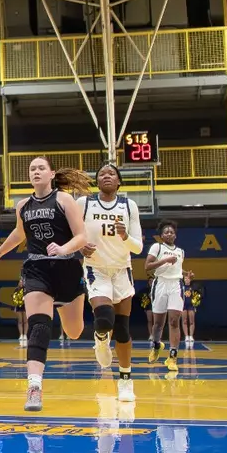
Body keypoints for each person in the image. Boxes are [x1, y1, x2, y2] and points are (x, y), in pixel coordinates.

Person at [0, 157, 92, 412]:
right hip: (36, 268)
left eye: (41, 168)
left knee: (74, 331)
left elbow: (82, 236)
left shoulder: (64, 200)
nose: (36, 172)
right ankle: (34, 387)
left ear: (52, 173)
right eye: (32, 169)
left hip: (67, 268)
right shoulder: (23, 205)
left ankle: (98, 335)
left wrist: (63, 248)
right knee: (39, 326)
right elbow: (20, 234)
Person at [81, 162, 144, 403]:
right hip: (96, 268)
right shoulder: (84, 204)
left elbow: (138, 247)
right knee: (104, 319)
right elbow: (71, 233)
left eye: (111, 173)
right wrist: (80, 246)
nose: (106, 176)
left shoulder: (129, 206)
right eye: (102, 174)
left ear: (118, 181)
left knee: (123, 329)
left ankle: (126, 381)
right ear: (97, 181)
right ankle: (100, 340)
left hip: (121, 270)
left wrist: (125, 236)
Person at [145, 221, 187, 373]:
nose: (169, 234)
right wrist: (165, 260)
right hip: (160, 284)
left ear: (175, 235)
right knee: (158, 324)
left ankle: (173, 356)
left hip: (176, 285)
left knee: (174, 321)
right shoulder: (157, 247)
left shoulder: (181, 251)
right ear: (161, 235)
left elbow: (176, 270)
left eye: (171, 232)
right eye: (166, 232)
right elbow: (147, 266)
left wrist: (186, 275)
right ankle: (157, 345)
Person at [181, 269, 199, 349]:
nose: (186, 279)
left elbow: (196, 296)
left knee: (191, 321)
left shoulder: (193, 287)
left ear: (190, 279)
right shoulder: (181, 287)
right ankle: (186, 336)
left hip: (191, 306)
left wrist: (191, 274)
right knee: (184, 321)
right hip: (183, 306)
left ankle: (191, 336)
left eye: (188, 278)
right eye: (185, 278)